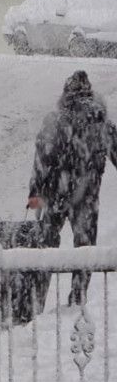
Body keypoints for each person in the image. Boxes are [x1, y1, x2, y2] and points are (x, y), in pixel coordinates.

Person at [28, 70, 117, 305]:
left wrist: (35, 193)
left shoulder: (55, 121)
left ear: (66, 94)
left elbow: (41, 161)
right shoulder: (102, 124)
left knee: (45, 247)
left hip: (55, 195)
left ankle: (36, 297)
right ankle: (77, 298)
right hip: (87, 198)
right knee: (85, 249)